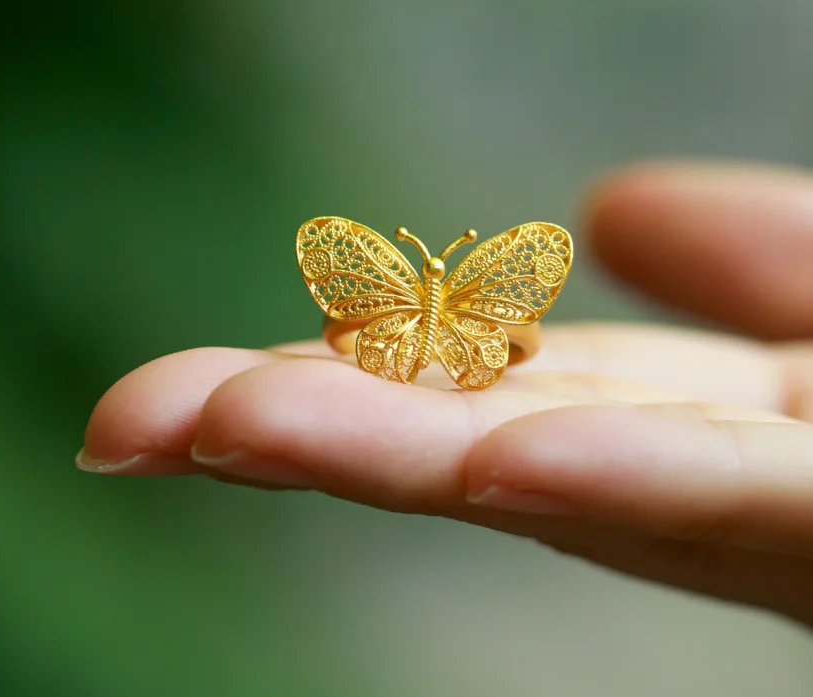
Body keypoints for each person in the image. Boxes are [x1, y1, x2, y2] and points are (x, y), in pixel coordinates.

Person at [78, 160, 813, 628]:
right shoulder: (447, 300)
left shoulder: (437, 306)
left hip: (427, 336)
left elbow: (518, 341)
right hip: (423, 336)